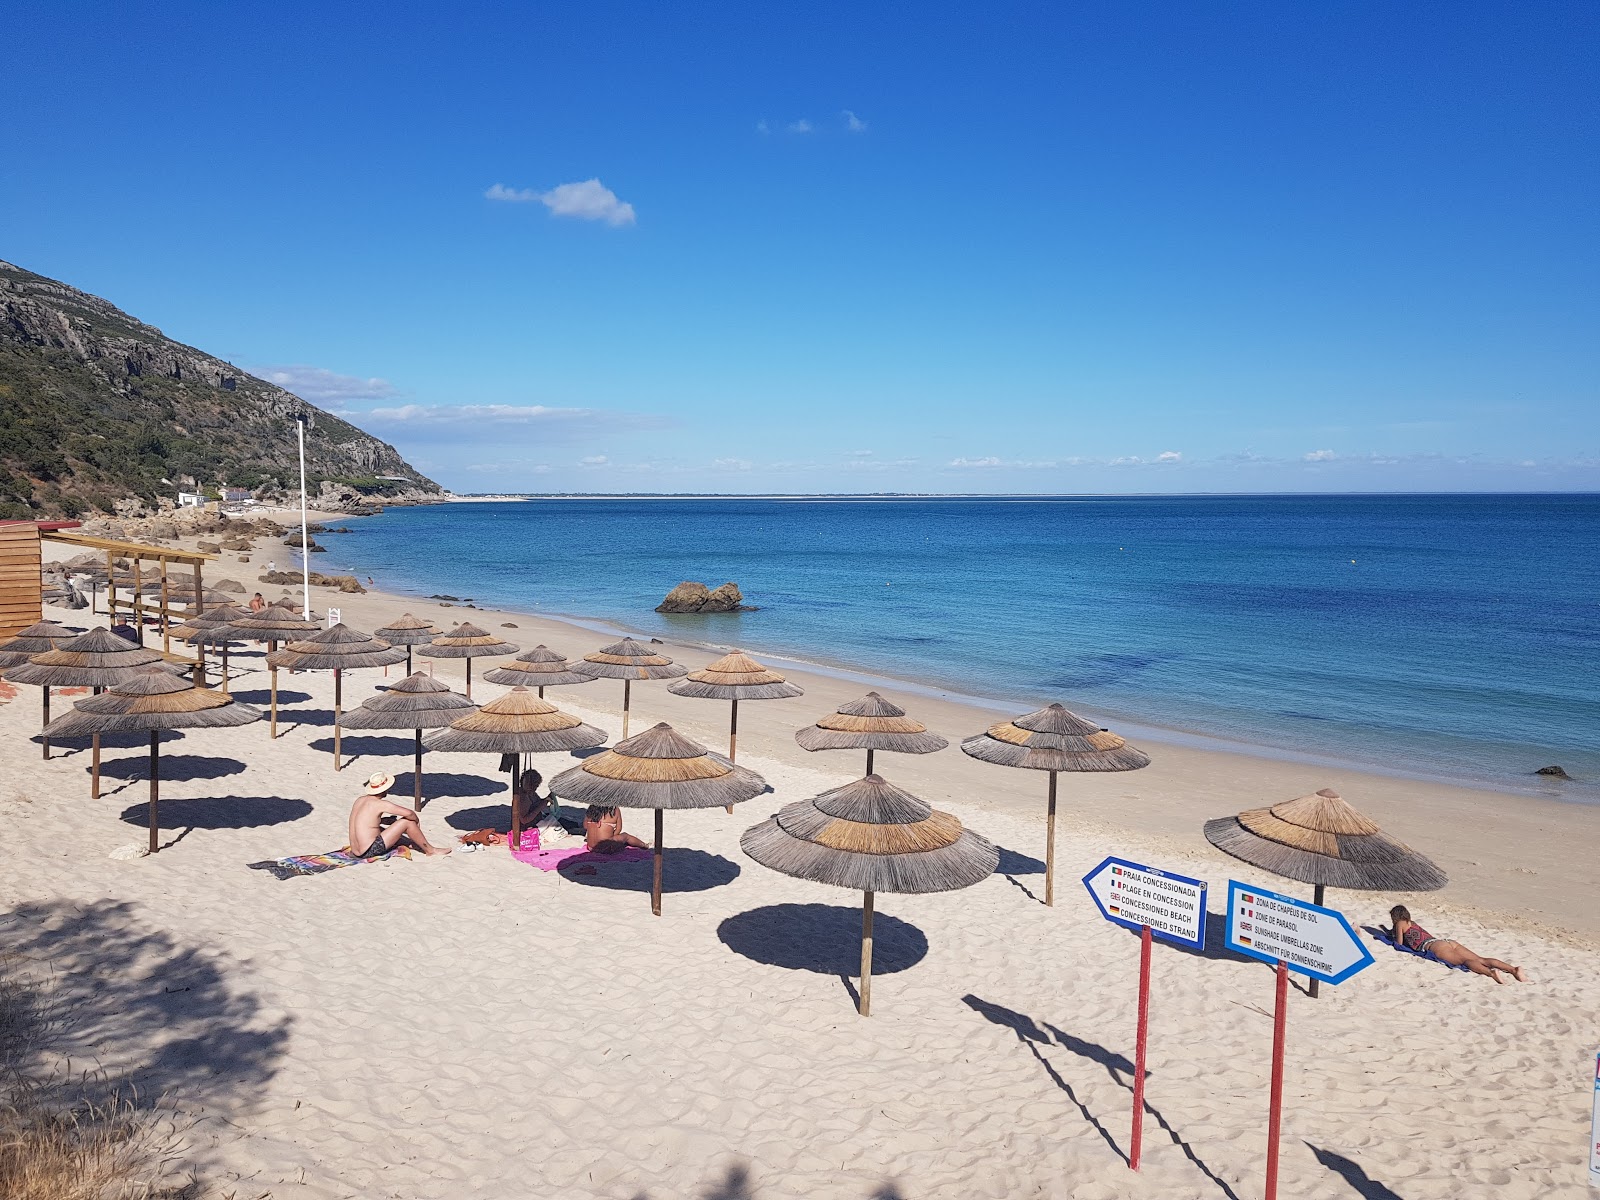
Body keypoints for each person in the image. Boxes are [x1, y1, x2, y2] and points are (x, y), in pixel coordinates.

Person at [1389, 905, 1524, 983]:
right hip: (1446, 941)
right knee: (1479, 959)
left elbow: (1399, 943)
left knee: (1465, 962)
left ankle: (1491, 973)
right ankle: (1513, 969)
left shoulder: (1400, 924)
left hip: (1434, 947)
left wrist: (1394, 933)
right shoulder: (1411, 922)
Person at [348, 771, 449, 857]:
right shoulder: (380, 804)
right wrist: (416, 822)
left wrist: (383, 821)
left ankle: (413, 843)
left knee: (384, 828)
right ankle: (430, 850)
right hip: (368, 851)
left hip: (355, 850)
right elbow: (409, 813)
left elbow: (364, 823)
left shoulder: (360, 800)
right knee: (407, 822)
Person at [583, 804, 648, 854]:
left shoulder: (591, 809)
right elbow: (619, 829)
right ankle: (644, 845)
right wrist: (611, 836)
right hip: (606, 848)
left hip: (591, 847)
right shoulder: (614, 810)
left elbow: (585, 826)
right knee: (625, 836)